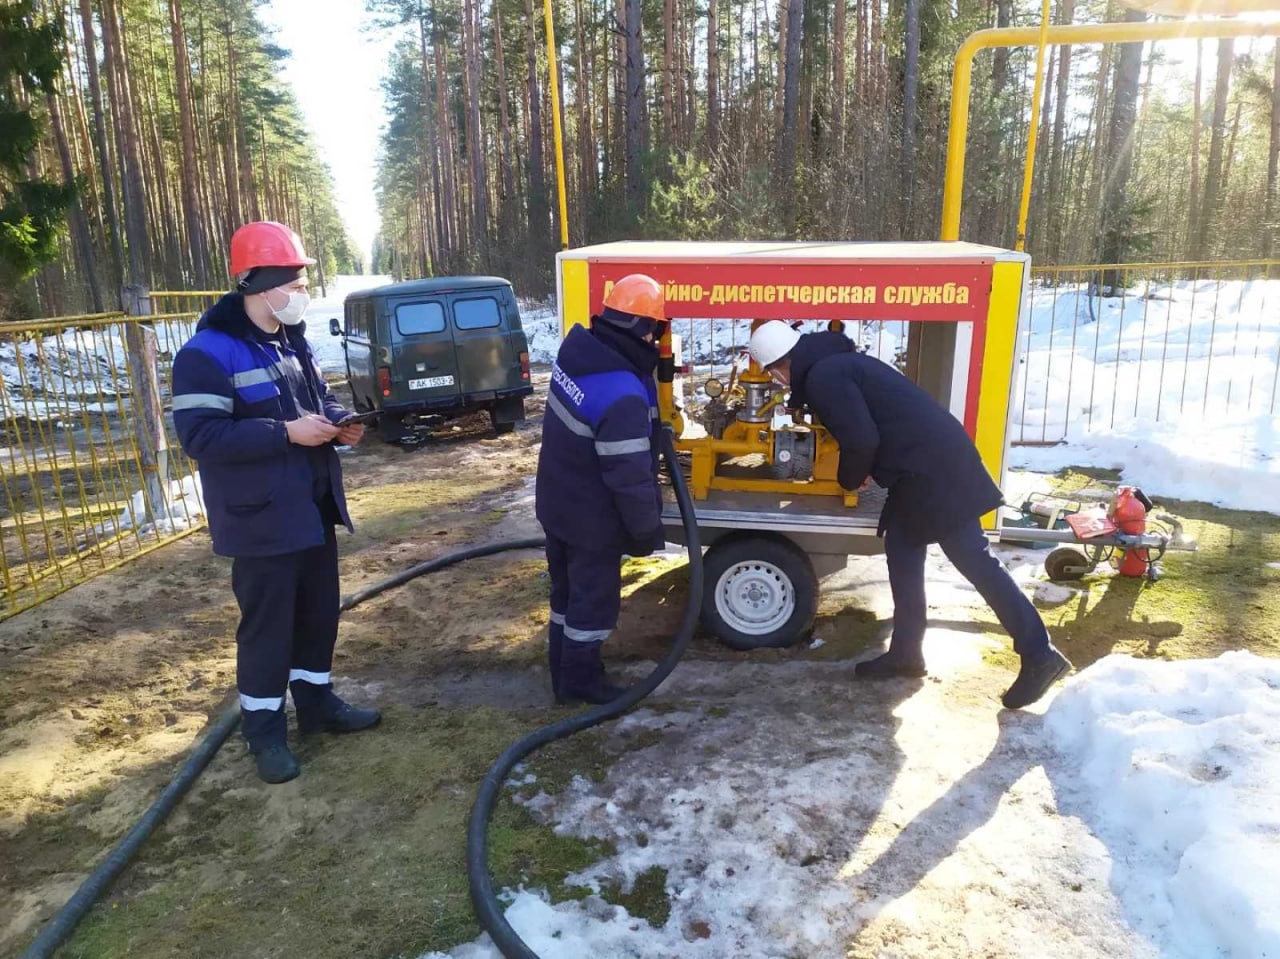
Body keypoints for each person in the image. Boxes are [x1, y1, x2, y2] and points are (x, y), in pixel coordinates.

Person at [747, 322, 1072, 709]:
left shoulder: (824, 376)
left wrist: (849, 478)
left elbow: (862, 438)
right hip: (920, 468)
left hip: (935, 471)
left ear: (782, 365)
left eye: (774, 374)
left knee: (974, 559)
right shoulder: (837, 363)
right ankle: (906, 652)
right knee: (902, 548)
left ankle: (1039, 653)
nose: (779, 382)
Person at [172, 221, 381, 784]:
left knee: (317, 614)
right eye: (291, 283)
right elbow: (200, 438)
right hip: (260, 519)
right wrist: (285, 434)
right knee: (268, 627)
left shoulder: (291, 341)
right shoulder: (206, 355)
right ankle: (264, 734)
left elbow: (318, 398)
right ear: (258, 285)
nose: (299, 294)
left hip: (312, 509)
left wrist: (339, 423)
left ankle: (316, 707)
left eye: (301, 283)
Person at [535, 274, 669, 705]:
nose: (655, 338)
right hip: (592, 519)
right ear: (638, 329)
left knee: (566, 594)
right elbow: (628, 476)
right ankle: (581, 683)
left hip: (557, 504)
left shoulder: (579, 357)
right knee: (593, 603)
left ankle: (562, 672)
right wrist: (647, 530)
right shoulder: (621, 392)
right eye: (653, 328)